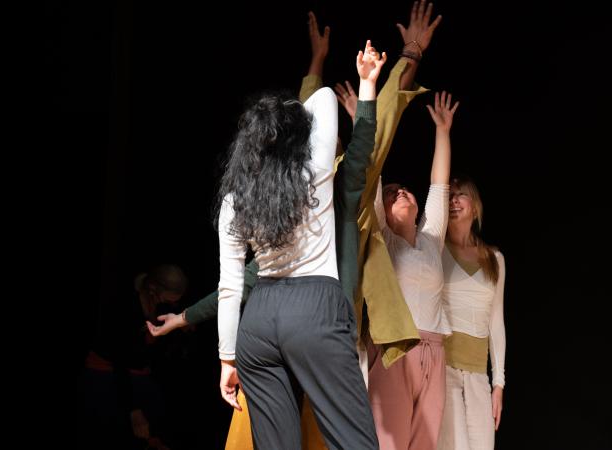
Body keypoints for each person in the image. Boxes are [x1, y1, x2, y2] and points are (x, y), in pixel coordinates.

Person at [214, 39, 385, 450]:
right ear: (299, 138)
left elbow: (230, 287)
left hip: (257, 323)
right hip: (314, 309)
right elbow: (324, 97)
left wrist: (227, 359)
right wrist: (366, 85)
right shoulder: (317, 168)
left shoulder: (235, 199)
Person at [368, 90, 459, 450]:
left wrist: (443, 131)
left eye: (405, 190)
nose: (400, 193)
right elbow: (373, 175)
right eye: (392, 194)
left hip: (434, 352)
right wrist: (368, 112)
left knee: (425, 444)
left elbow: (439, 183)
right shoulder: (382, 242)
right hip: (396, 349)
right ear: (385, 212)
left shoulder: (431, 238)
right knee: (388, 443)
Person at [79, 264, 187, 450]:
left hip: (137, 372)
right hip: (107, 370)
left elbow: (155, 356)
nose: (173, 305)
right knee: (122, 423)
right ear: (153, 290)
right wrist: (134, 412)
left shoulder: (163, 308)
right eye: (169, 300)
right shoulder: (123, 307)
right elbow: (120, 362)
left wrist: (179, 332)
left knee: (162, 416)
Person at [436, 176, 506, 450]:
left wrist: (498, 383)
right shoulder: (436, 249)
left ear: (475, 207)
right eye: (449, 195)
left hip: (479, 375)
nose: (453, 200)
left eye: (460, 194)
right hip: (444, 368)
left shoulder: (495, 260)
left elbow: (496, 323)